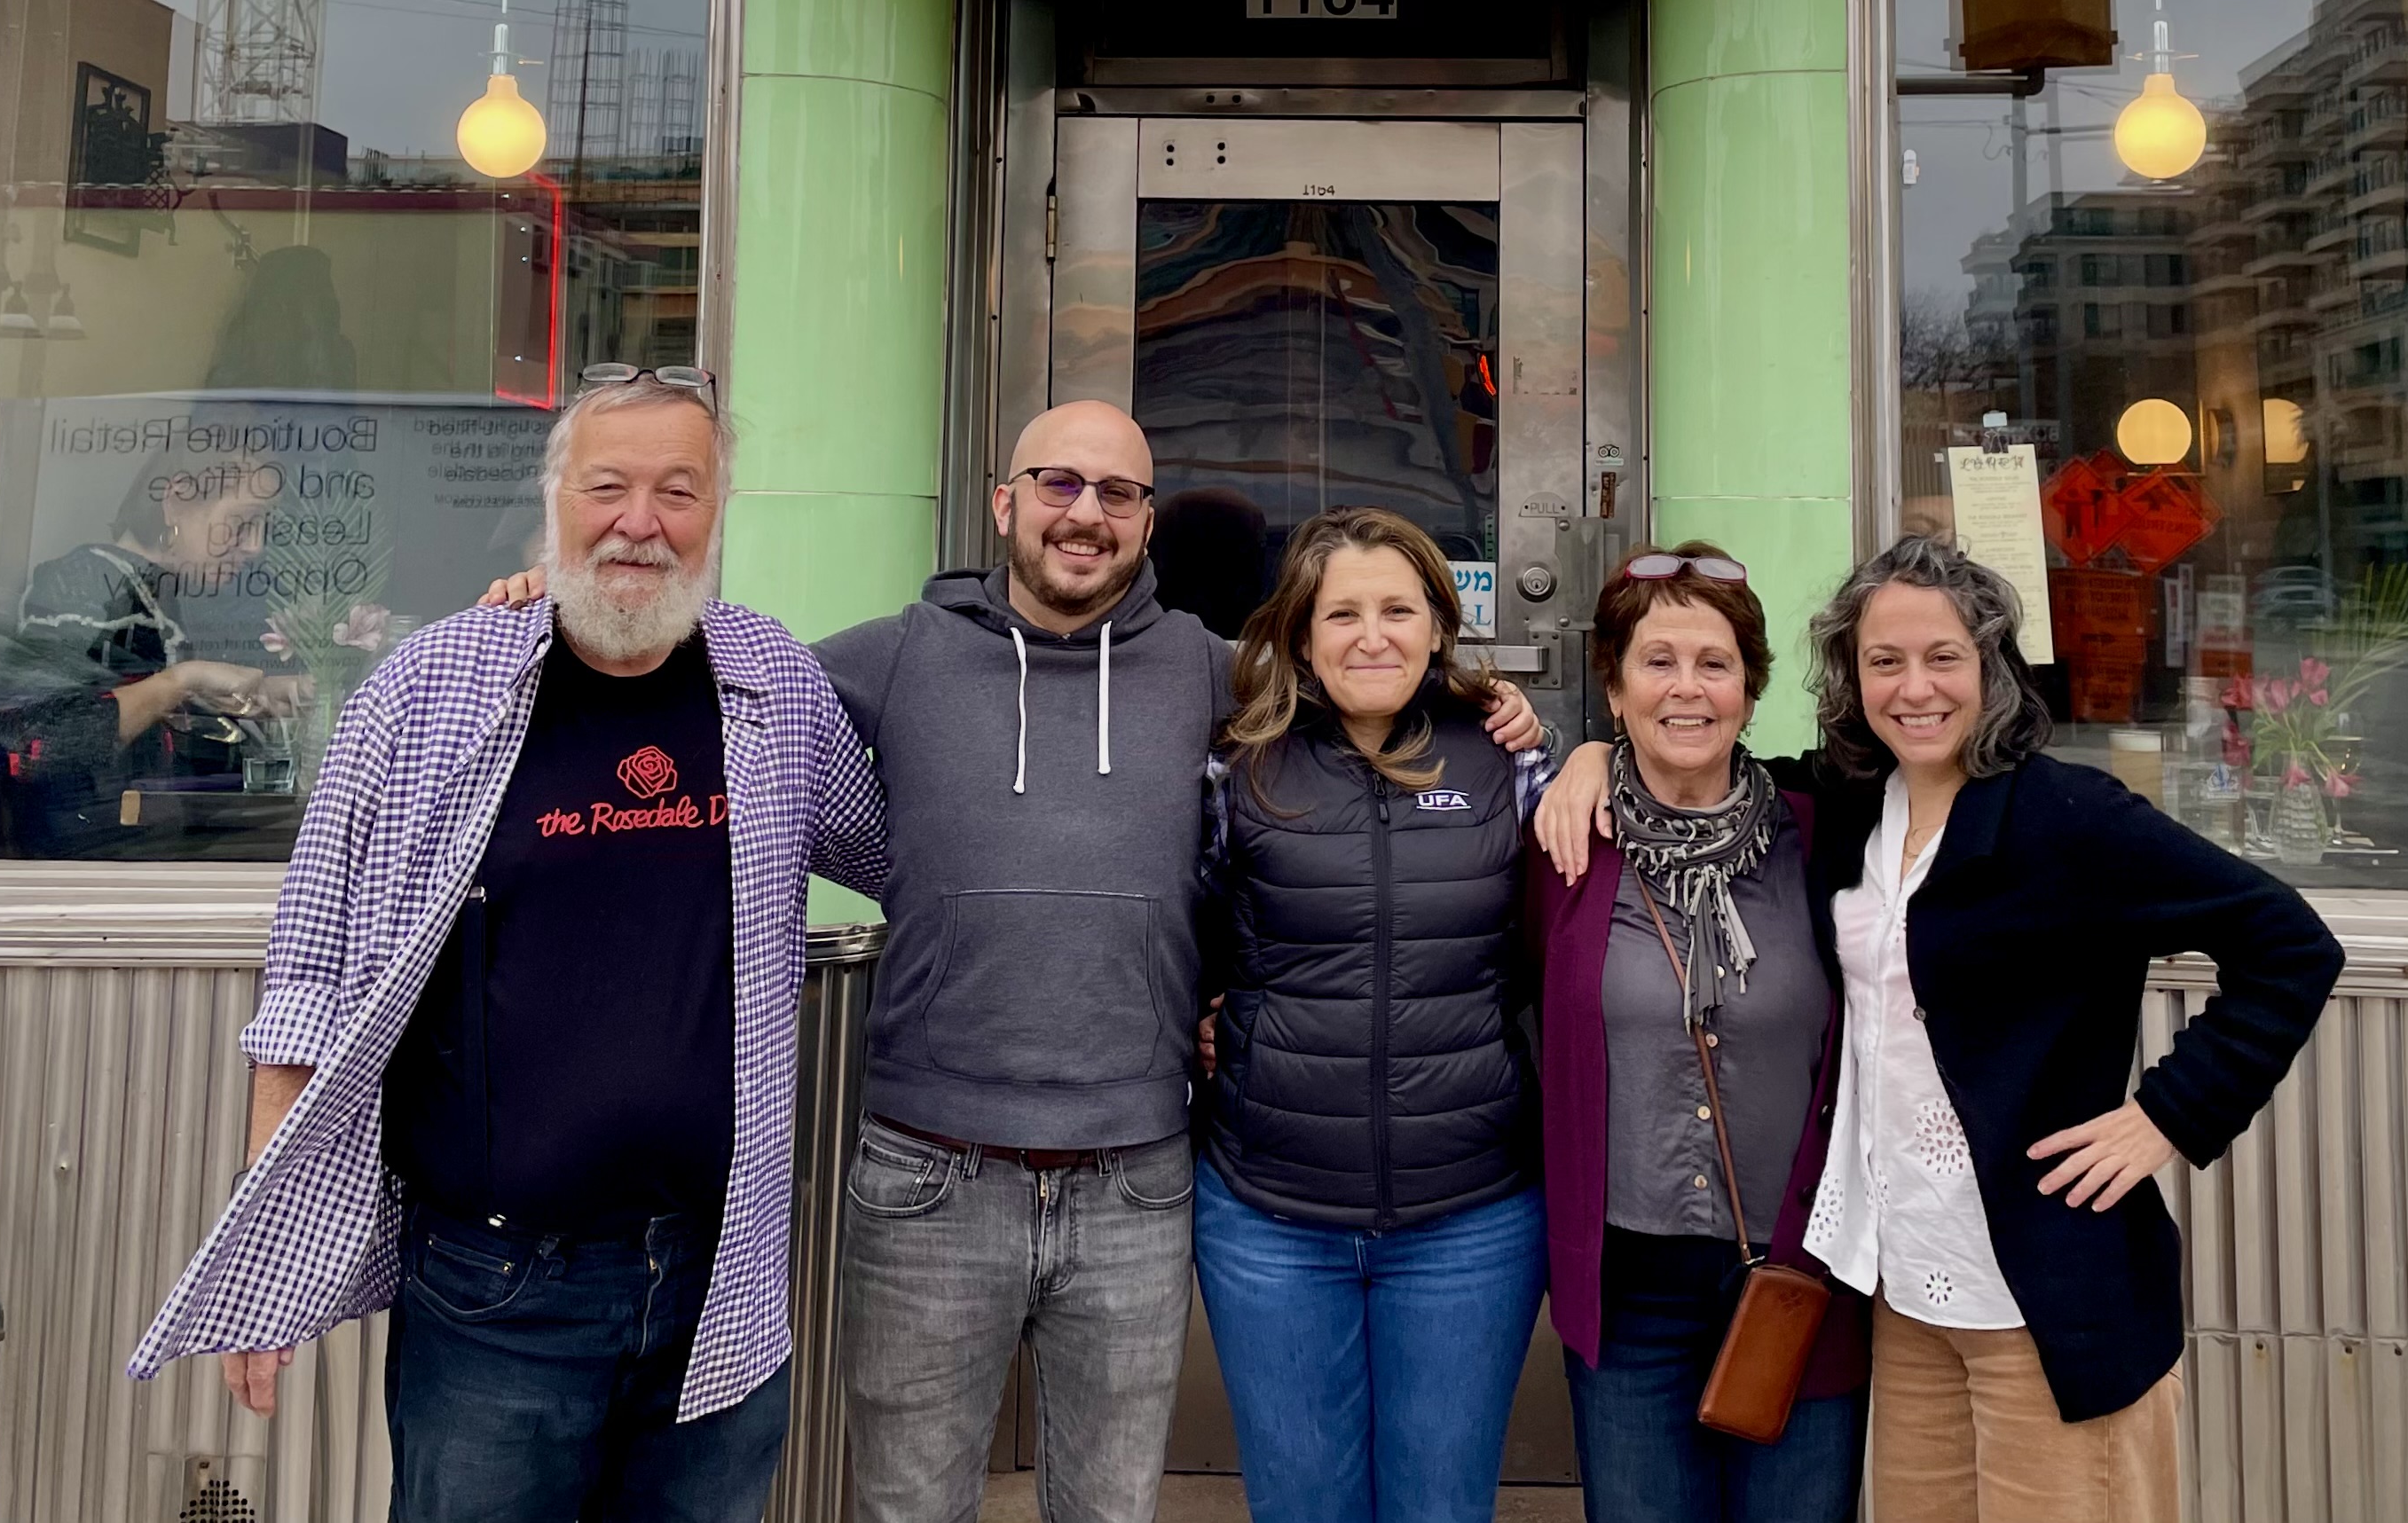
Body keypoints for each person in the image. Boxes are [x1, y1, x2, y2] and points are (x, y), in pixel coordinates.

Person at [481, 403, 1544, 1523]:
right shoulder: (899, 654)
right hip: (929, 1178)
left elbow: (1359, 684)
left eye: (1117, 494)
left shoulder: (1208, 671)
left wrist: (1507, 714)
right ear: (1004, 502)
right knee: (909, 1506)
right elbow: (690, 663)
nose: (1084, 514)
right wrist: (538, 608)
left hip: (1135, 1177)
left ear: (1146, 523)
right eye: (1057, 484)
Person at [129, 367, 890, 1523]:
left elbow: (908, 852)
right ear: (553, 500)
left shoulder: (769, 681)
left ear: (718, 511)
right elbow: (310, 970)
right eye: (610, 486)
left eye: (679, 491)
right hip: (496, 1298)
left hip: (715, 1279)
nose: (642, 520)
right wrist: (265, 1254)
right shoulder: (430, 688)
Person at [1539, 534, 2341, 1523]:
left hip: (2039, 1299)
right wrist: (1586, 756)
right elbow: (1687, 760)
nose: (1914, 688)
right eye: (1884, 661)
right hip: (1901, 1298)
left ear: (1990, 666)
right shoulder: (1847, 811)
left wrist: (2166, 1117)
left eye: (1942, 657)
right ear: (1851, 677)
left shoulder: (2064, 817)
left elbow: (2289, 946)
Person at [1194, 506, 1551, 1523]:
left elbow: (1558, 946)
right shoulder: (1237, 769)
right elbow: (1186, 933)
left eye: (1397, 608)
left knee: (1441, 1506)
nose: (1370, 634)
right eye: (1339, 612)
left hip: (1469, 1213)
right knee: (1301, 1503)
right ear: (1300, 635)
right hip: (1270, 1213)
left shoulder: (1508, 764)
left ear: (1439, 625)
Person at [1520, 546, 1865, 1523]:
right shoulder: (1562, 846)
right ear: (1614, 685)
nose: (1686, 688)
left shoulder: (1823, 835)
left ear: (1750, 691)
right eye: (1655, 660)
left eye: (1713, 663)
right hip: (1629, 1287)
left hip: (1800, 1273)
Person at [0, 455, 295, 858]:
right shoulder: (88, 582)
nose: (256, 546)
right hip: (84, 870)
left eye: (264, 527)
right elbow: (35, 742)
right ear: (177, 500)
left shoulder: (166, 594)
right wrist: (182, 682)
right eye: (243, 522)